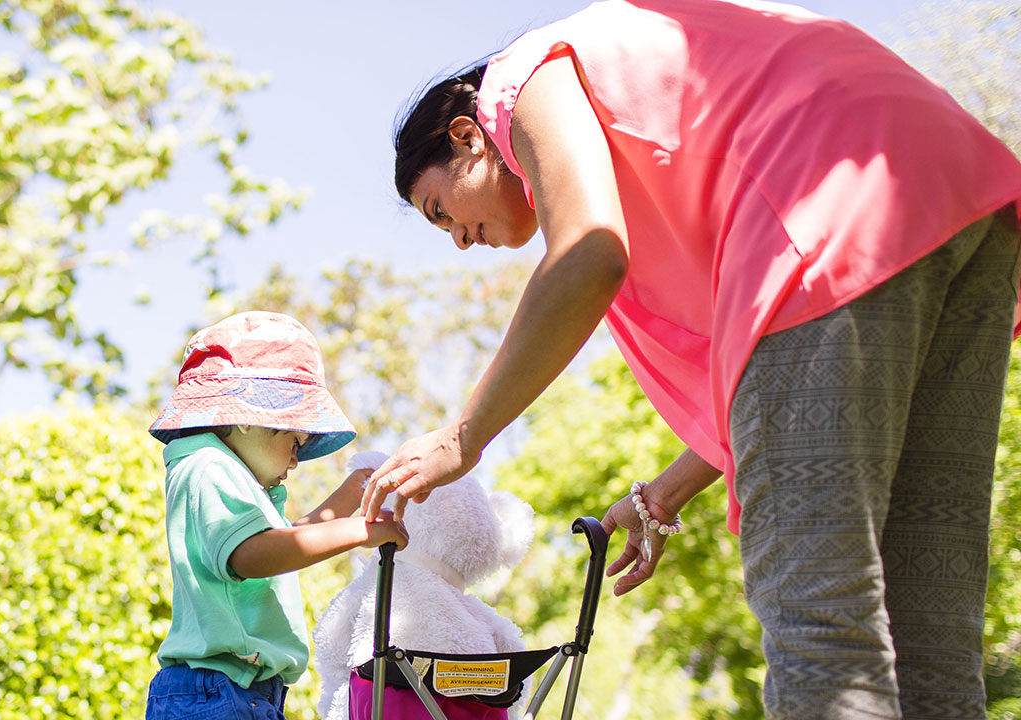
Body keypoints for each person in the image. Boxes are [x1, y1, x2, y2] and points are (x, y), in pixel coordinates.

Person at [361, 1, 1021, 717]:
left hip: (828, 204)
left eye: (439, 209)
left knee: (822, 629)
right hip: (961, 198)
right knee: (929, 642)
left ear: (468, 136)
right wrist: (666, 491)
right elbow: (783, 370)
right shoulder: (636, 124)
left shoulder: (523, 80)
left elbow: (588, 254)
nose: (458, 238)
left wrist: (463, 437)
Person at [143, 310, 408, 720]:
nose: (297, 460)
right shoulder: (208, 466)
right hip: (218, 690)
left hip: (239, 689)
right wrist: (361, 530)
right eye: (296, 440)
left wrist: (354, 492)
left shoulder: (230, 478)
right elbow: (255, 555)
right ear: (252, 417)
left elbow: (286, 544)